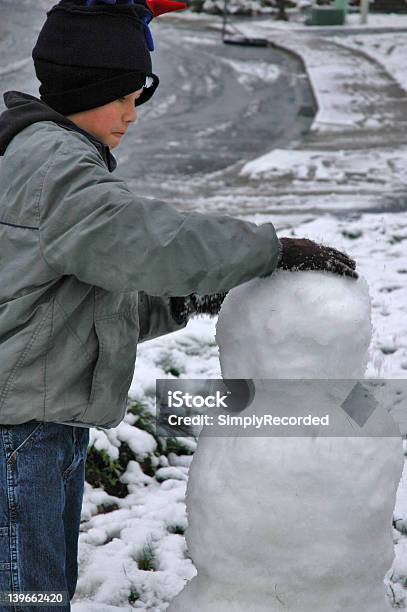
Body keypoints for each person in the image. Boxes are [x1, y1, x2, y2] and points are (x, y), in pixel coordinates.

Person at [0, 0, 357, 608]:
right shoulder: (56, 165)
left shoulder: (45, 161)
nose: (132, 115)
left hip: (42, 427)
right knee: (26, 596)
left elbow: (81, 309)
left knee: (40, 589)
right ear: (92, 85)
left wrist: (192, 296)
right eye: (126, 96)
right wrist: (266, 249)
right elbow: (144, 239)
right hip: (19, 438)